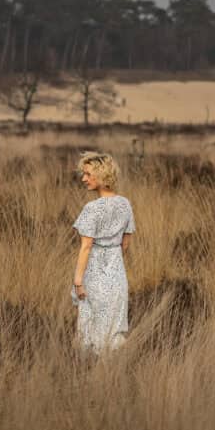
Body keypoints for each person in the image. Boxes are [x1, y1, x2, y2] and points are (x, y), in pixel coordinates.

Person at [71, 151, 136, 354]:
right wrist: (113, 259)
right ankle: (115, 369)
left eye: (88, 174)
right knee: (114, 327)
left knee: (90, 325)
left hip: (95, 272)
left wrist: (78, 281)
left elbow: (86, 246)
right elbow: (126, 243)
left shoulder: (92, 209)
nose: (84, 179)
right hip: (117, 273)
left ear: (101, 175)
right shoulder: (125, 204)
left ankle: (90, 371)